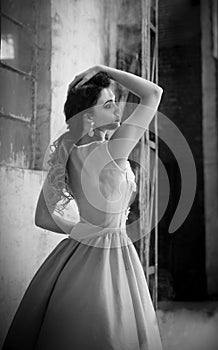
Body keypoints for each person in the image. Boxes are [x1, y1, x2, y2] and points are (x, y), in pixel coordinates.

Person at [2, 64, 164, 349]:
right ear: (89, 116)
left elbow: (43, 217)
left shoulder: (67, 155)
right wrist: (103, 70)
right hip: (113, 255)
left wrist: (84, 231)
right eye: (109, 104)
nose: (118, 110)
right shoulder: (114, 151)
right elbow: (153, 93)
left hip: (74, 257)